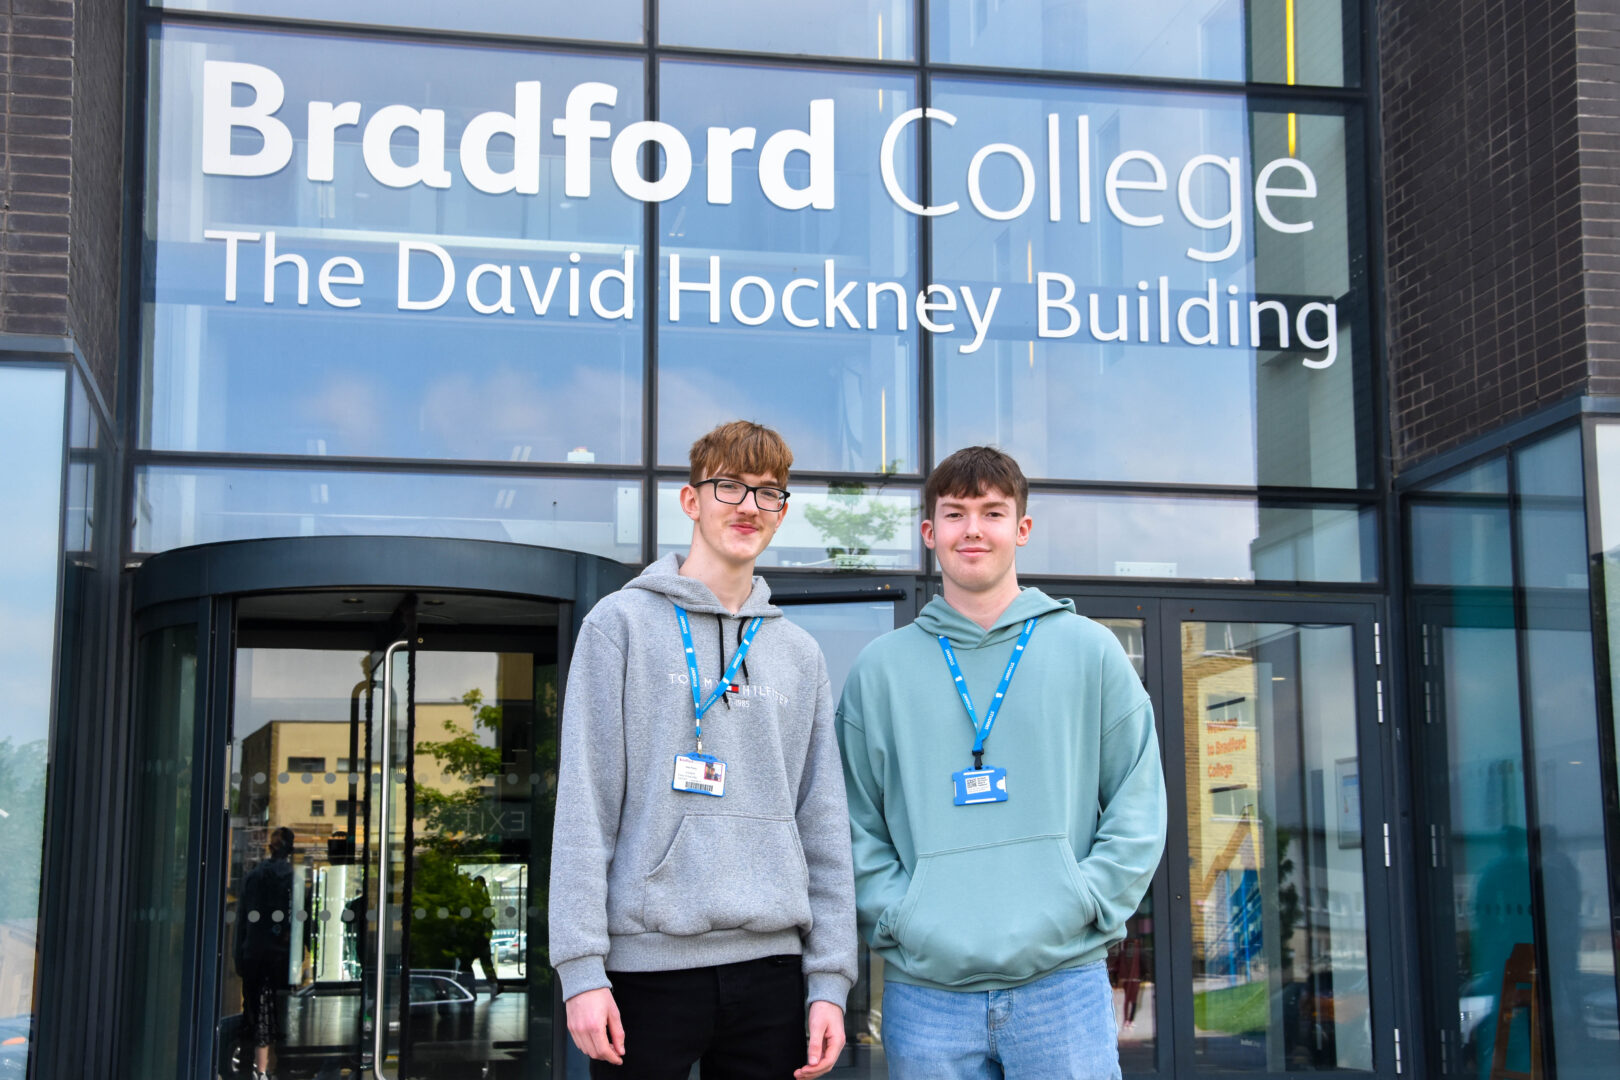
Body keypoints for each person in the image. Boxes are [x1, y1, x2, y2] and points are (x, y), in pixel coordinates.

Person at [836, 446, 1167, 1080]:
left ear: (1022, 528)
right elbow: (853, 821)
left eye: (992, 512)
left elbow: (1138, 803)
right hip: (927, 992)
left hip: (1062, 986)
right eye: (955, 514)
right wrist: (902, 917)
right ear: (930, 532)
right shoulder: (881, 670)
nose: (974, 530)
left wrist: (1085, 900)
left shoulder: (1090, 652)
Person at [549, 420, 857, 1080]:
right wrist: (580, 969)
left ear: (782, 513)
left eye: (768, 493)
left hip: (773, 974)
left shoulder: (798, 654)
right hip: (645, 973)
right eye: (730, 487)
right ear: (691, 501)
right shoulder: (618, 626)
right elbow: (584, 805)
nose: (749, 506)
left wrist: (830, 980)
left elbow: (823, 825)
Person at [235, 826, 297, 1080]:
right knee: (278, 1015)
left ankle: (254, 1070)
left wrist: (239, 954)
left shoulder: (255, 877)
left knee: (255, 1014)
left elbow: (243, 921)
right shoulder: (290, 878)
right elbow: (293, 920)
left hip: (255, 954)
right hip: (278, 957)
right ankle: (270, 1070)